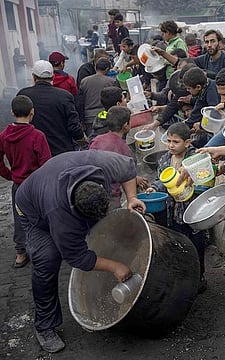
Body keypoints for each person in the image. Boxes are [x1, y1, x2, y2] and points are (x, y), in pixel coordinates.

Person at [15, 150, 146, 353]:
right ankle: (45, 326)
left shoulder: (100, 165)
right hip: (31, 208)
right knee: (47, 259)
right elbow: (77, 257)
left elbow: (128, 168)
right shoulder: (60, 216)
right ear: (74, 210)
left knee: (102, 232)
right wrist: (115, 266)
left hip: (54, 183)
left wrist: (131, 197)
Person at [146, 122, 207, 292]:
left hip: (191, 211)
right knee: (176, 244)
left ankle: (200, 277)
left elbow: (204, 180)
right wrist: (154, 188)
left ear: (187, 142)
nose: (171, 145)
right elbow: (160, 180)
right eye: (169, 141)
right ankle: (183, 279)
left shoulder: (194, 158)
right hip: (171, 212)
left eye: (176, 142)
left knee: (195, 244)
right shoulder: (165, 159)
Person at [0, 95, 51, 268]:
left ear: (12, 113)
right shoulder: (37, 136)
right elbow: (46, 164)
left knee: (20, 217)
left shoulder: (4, 136)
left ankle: (20, 254)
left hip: (18, 185)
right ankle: (46, 249)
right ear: (32, 112)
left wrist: (10, 175)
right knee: (43, 215)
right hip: (37, 185)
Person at [17, 60, 86, 156]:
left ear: (33, 77)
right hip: (61, 151)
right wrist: (83, 140)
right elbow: (73, 126)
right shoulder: (64, 96)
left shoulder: (23, 95)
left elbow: (19, 124)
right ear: (53, 77)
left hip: (33, 152)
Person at [89, 106, 148, 208]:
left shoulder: (97, 140)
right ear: (125, 125)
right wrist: (134, 180)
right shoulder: (123, 148)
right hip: (110, 194)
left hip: (93, 188)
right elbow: (125, 174)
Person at [78, 58, 117, 136]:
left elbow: (80, 103)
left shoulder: (84, 82)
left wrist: (81, 121)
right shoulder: (111, 82)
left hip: (89, 118)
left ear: (95, 67)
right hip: (107, 116)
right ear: (107, 69)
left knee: (93, 143)